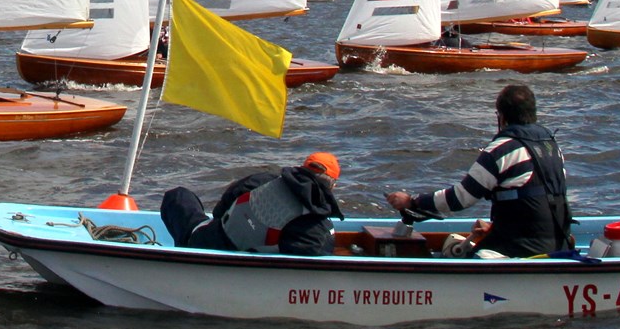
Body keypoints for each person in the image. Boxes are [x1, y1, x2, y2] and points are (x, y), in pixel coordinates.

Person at [386, 83, 571, 258]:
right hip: (557, 244)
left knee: (456, 254)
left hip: (521, 249)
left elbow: (459, 199)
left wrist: (412, 201)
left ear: (501, 117)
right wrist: (494, 229)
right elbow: (536, 200)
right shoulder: (552, 148)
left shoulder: (502, 150)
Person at [160, 152, 345, 256]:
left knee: (178, 196)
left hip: (206, 243)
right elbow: (316, 254)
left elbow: (219, 212)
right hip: (251, 269)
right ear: (332, 185)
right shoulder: (319, 226)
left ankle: (181, 258)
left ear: (302, 168)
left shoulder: (261, 180)